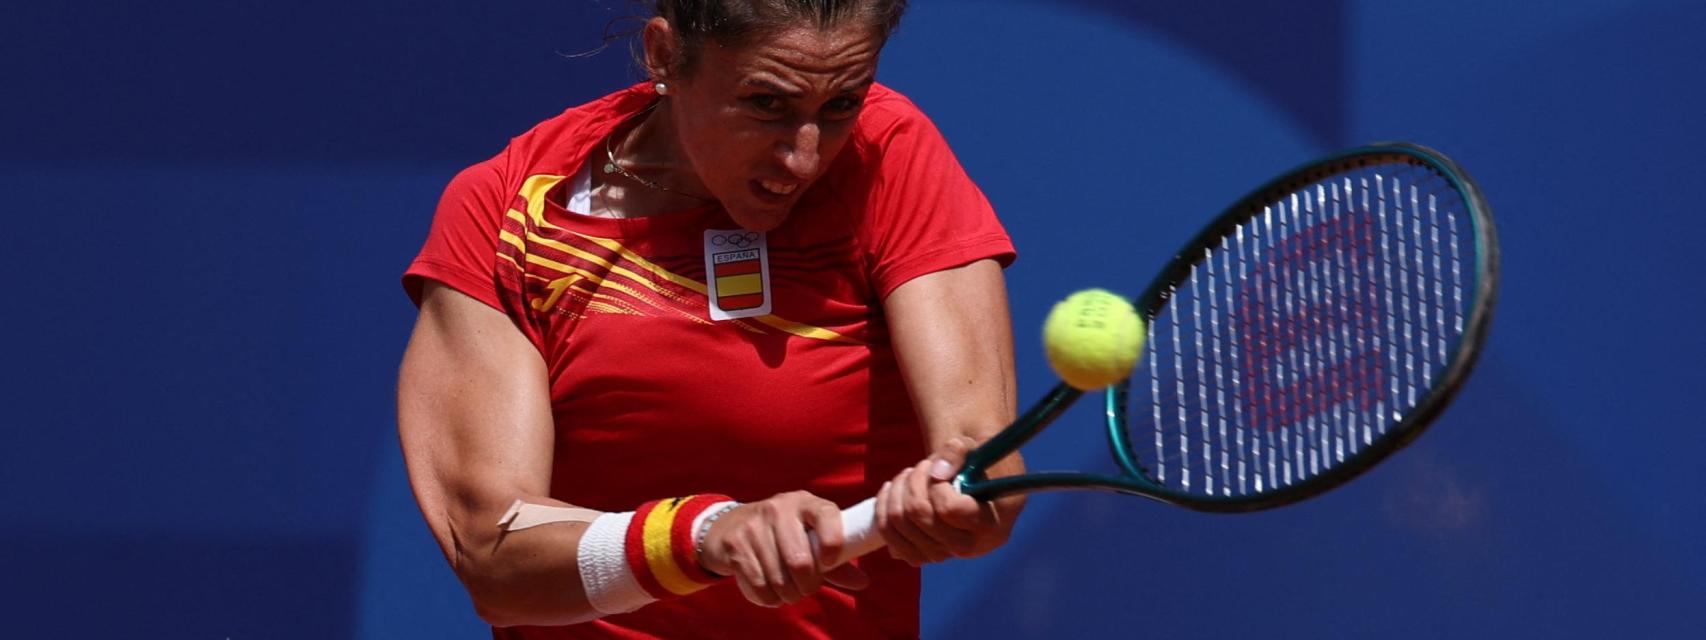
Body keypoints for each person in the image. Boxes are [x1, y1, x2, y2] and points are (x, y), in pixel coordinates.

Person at [396, 1, 1025, 637]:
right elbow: (494, 554)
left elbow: (984, 461)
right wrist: (706, 535)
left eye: (840, 105)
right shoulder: (508, 213)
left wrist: (957, 492)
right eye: (767, 105)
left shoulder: (888, 155)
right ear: (665, 54)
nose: (804, 158)